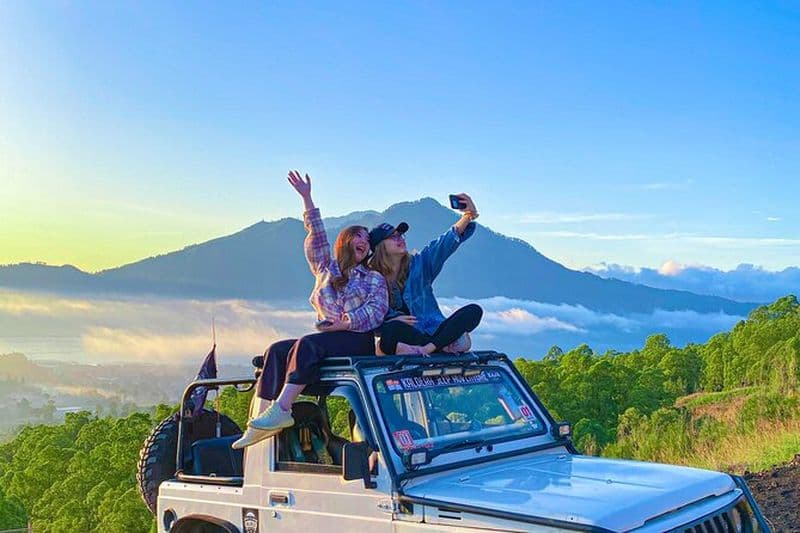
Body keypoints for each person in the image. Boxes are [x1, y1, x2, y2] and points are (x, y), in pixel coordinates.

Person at [233, 171, 389, 449]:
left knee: (307, 344)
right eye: (358, 235)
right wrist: (307, 198)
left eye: (367, 239)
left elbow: (376, 312)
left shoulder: (373, 278)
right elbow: (316, 235)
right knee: (277, 350)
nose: (364, 240)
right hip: (328, 340)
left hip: (356, 339)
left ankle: (282, 409)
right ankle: (259, 421)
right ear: (346, 241)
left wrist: (344, 323)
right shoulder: (325, 268)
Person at [368, 193, 483, 356]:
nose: (399, 238)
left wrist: (468, 216)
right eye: (392, 237)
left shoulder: (419, 265)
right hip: (410, 337)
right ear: (380, 247)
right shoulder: (371, 281)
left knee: (474, 311)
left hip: (434, 333)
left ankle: (430, 348)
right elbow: (367, 322)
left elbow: (444, 244)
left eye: (400, 234)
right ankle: (439, 347)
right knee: (390, 332)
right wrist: (389, 322)